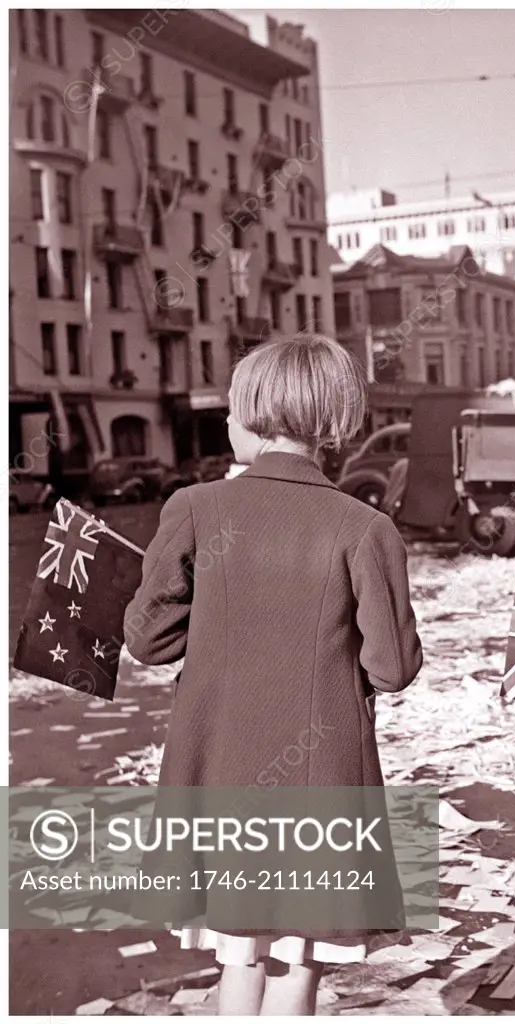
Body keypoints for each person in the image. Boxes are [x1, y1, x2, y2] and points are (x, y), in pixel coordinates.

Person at [123, 334, 423, 1016]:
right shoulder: (365, 527)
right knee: (300, 951)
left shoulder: (197, 510)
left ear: (253, 414)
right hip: (319, 772)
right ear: (333, 422)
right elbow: (394, 666)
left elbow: (147, 641)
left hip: (220, 763)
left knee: (238, 945)